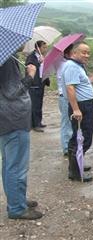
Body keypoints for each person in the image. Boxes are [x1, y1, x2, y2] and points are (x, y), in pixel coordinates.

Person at [0, 48, 43, 220]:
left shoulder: (8, 58)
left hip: (6, 118)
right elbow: (12, 92)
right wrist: (30, 75)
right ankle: (17, 208)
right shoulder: (7, 62)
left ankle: (17, 200)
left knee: (9, 163)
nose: (26, 42)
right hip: (13, 119)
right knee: (16, 165)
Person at [62, 41, 93, 182]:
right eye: (83, 52)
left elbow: (81, 85)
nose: (87, 55)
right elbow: (70, 88)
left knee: (79, 137)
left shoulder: (77, 66)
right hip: (81, 106)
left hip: (84, 105)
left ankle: (76, 165)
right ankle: (75, 172)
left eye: (88, 52)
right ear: (74, 53)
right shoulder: (72, 67)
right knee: (83, 138)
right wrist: (76, 109)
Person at [25, 40, 50, 133]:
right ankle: (34, 125)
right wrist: (39, 63)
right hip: (34, 84)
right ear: (37, 48)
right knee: (34, 104)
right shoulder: (31, 57)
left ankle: (38, 122)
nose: (45, 49)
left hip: (41, 82)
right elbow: (30, 68)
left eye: (46, 47)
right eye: (44, 47)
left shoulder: (41, 56)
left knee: (39, 103)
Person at [55, 44, 73, 157]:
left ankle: (68, 145)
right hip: (65, 96)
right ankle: (66, 147)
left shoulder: (59, 62)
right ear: (67, 54)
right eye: (72, 52)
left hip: (62, 96)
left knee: (67, 122)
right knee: (66, 123)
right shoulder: (65, 65)